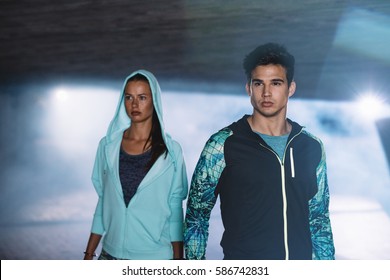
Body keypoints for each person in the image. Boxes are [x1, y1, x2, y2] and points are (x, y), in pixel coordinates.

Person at [184, 43, 335, 260]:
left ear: (290, 88)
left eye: (276, 83)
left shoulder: (310, 146)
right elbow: (196, 218)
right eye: (258, 83)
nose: (266, 93)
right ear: (249, 88)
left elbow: (319, 219)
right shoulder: (223, 145)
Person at [84, 69, 188, 260]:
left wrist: (178, 261)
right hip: (110, 254)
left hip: (153, 258)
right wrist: (89, 253)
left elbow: (175, 209)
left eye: (142, 97)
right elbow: (103, 201)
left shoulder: (172, 152)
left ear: (154, 100)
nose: (134, 104)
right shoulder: (107, 146)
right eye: (129, 97)